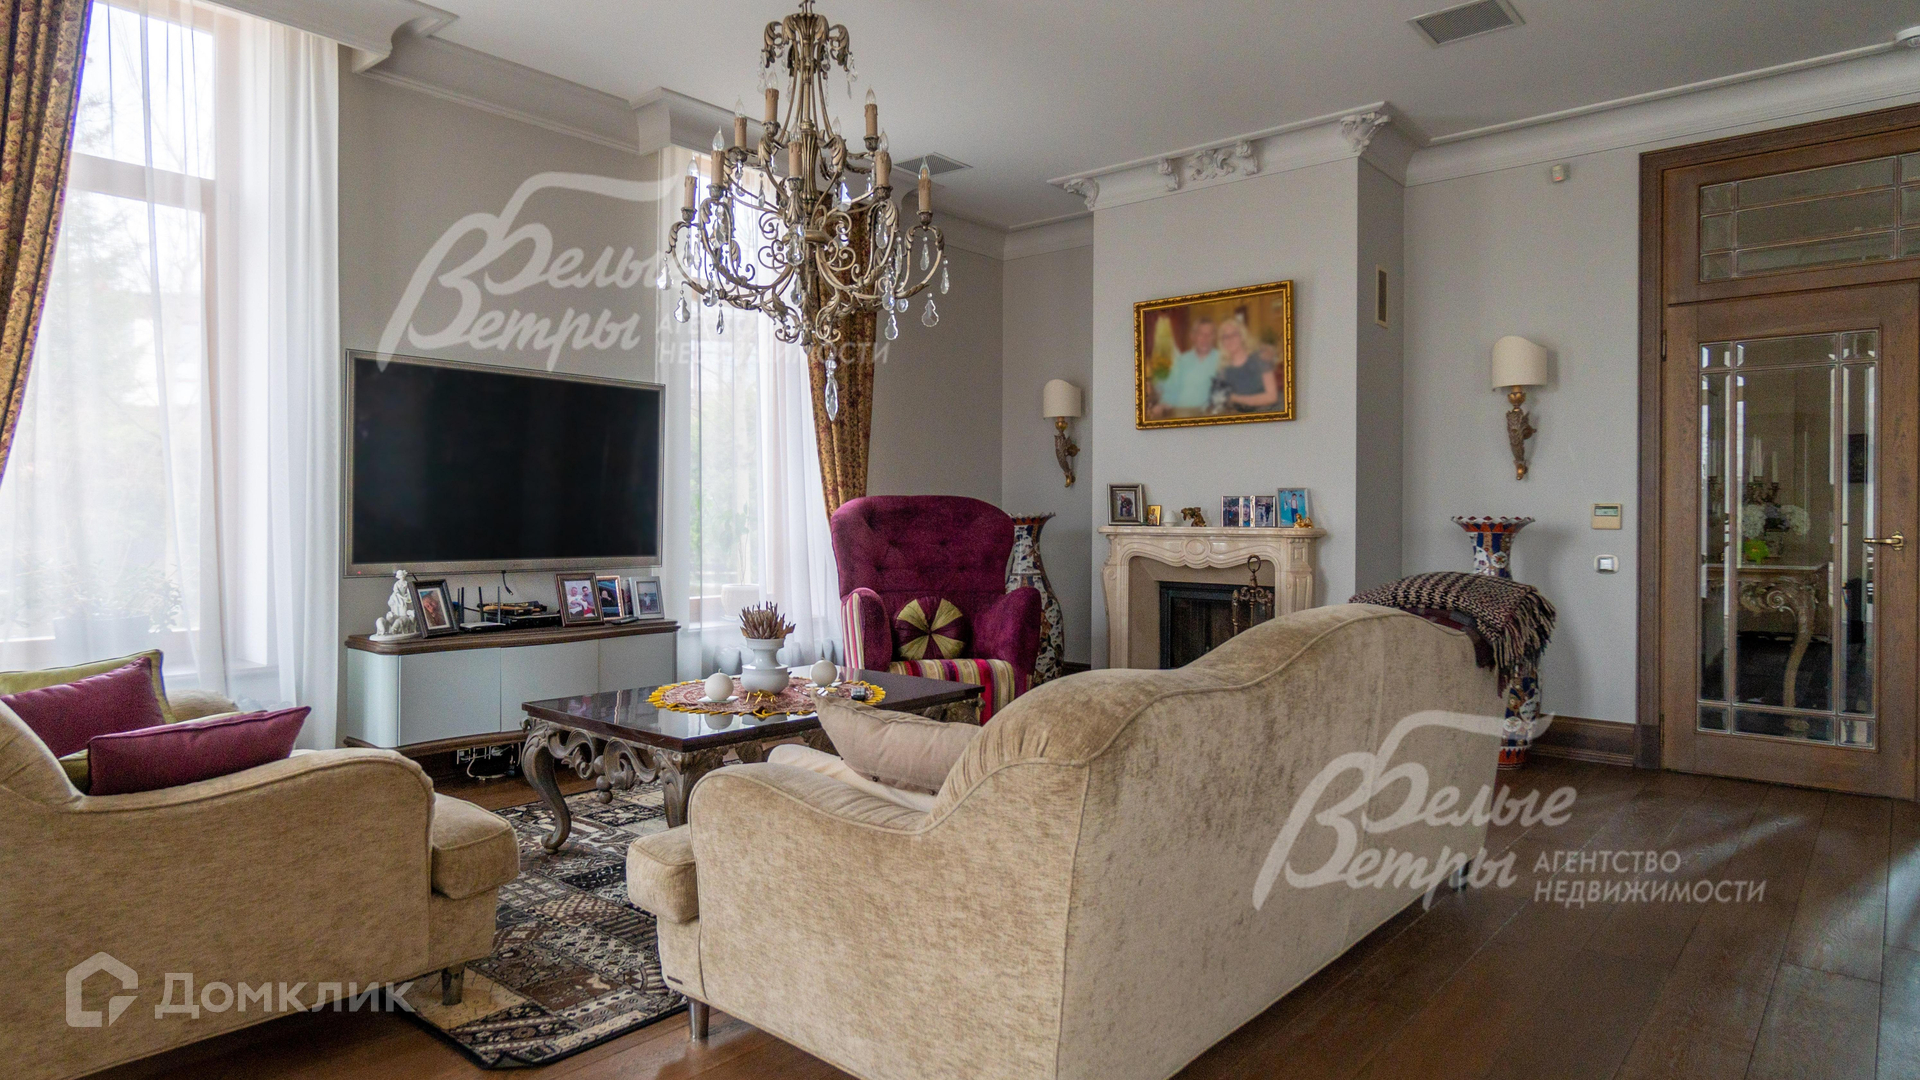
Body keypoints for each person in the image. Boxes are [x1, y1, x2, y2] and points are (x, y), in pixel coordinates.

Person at [1211, 317, 1279, 411]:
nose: (1230, 339)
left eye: (1234, 334)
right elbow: (1223, 399)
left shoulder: (1260, 358)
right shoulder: (1223, 369)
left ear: (1242, 336)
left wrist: (1236, 398)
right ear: (1222, 342)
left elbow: (1272, 397)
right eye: (1225, 337)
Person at [1155, 317, 1221, 411]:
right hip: (1179, 412)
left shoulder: (1222, 360)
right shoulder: (1182, 360)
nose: (1205, 338)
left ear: (1214, 337)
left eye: (1209, 334)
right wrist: (1162, 405)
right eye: (1201, 334)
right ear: (1192, 336)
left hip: (1205, 414)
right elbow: (1171, 389)